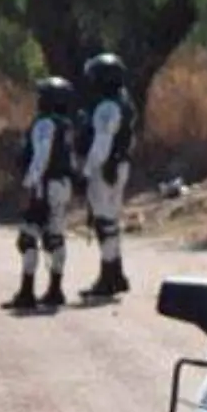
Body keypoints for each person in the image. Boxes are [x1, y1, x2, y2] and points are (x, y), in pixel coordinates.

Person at [2, 77, 80, 311]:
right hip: (62, 185)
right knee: (55, 237)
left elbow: (41, 157)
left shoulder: (45, 124)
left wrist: (28, 185)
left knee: (27, 238)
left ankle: (27, 292)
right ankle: (55, 289)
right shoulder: (66, 125)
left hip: (44, 187)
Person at [75, 52, 136, 300]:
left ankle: (108, 275)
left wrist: (86, 172)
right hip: (119, 166)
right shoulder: (123, 102)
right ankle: (116, 273)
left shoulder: (106, 107)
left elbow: (101, 143)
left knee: (104, 222)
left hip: (105, 168)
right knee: (110, 219)